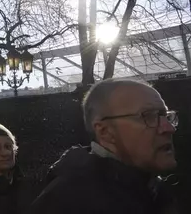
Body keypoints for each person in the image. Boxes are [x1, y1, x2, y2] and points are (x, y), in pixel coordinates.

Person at [29, 78, 179, 214]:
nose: (169, 128)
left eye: (166, 116)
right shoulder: (67, 201)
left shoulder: (151, 188)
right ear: (105, 132)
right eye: (149, 116)